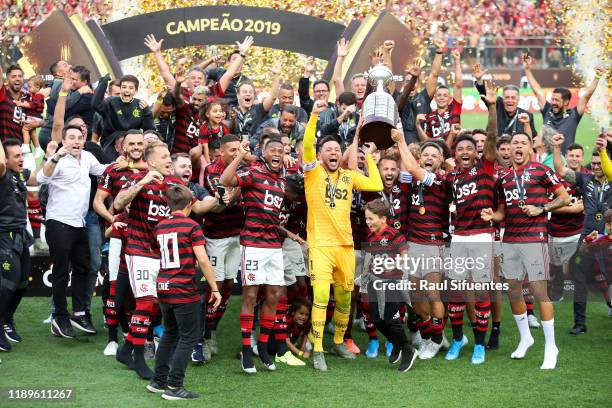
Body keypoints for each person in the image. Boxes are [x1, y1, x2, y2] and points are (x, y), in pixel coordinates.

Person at [113, 142, 220, 379]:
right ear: (151, 162)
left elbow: (197, 207)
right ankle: (138, 359)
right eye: (164, 158)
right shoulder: (138, 180)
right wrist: (142, 182)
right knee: (144, 304)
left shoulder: (175, 184)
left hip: (160, 254)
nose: (168, 162)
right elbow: (118, 204)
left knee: (153, 306)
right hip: (138, 250)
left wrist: (219, 197)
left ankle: (127, 349)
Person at [303, 101, 383, 371]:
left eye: (337, 149)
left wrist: (368, 155)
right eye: (328, 150)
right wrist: (314, 116)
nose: (334, 152)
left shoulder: (349, 177)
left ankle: (338, 341)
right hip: (320, 246)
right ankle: (317, 348)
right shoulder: (312, 173)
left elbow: (376, 184)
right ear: (320, 155)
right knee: (321, 296)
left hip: (345, 246)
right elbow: (306, 148)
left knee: (346, 297)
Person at [481, 132, 570, 370]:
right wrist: (493, 216)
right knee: (513, 291)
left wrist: (542, 207)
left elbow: (564, 197)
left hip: (535, 238)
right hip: (510, 239)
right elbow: (502, 211)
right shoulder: (504, 177)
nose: (518, 146)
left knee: (540, 292)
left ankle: (551, 346)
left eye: (523, 143)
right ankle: (525, 338)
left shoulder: (541, 170)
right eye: (514, 143)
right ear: (508, 149)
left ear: (530, 148)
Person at [220, 136, 296, 373]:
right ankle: (246, 351)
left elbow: (271, 216)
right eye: (272, 149)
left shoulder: (282, 182)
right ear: (263, 153)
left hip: (274, 246)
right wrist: (241, 156)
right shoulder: (253, 172)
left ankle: (263, 347)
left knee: (274, 295)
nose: (276, 153)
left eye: (280, 150)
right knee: (250, 297)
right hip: (252, 245)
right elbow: (225, 180)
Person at [441, 82, 498, 364]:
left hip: (481, 237)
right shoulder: (452, 178)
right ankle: (457, 340)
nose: (465, 151)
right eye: (459, 148)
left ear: (476, 152)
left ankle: (479, 344)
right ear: (455, 154)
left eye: (469, 148)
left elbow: (491, 138)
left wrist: (492, 107)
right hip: (458, 239)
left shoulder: (486, 167)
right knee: (455, 294)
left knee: (479, 292)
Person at [147, 184, 221, 401]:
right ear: (191, 203)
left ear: (168, 204)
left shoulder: (159, 226)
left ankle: (158, 382)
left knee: (170, 333)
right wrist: (214, 288)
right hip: (183, 288)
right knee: (188, 337)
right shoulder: (191, 226)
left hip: (164, 287)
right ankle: (174, 386)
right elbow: (203, 260)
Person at [36, 124, 110, 339]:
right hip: (58, 223)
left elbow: (103, 170)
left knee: (83, 267)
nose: (76, 141)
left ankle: (78, 313)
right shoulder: (58, 160)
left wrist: (126, 164)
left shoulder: (87, 157)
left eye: (80, 137)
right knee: (61, 271)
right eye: (72, 137)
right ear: (64, 140)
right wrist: (57, 155)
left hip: (80, 224)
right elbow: (42, 178)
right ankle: (59, 317)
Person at [552, 134, 612, 334]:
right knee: (578, 273)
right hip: (587, 235)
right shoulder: (584, 178)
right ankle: (580, 323)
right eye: (593, 163)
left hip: (609, 233)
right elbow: (560, 169)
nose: (595, 166)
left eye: (599, 163)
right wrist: (557, 147)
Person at [197, 134, 245, 362]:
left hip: (237, 235)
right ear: (220, 153)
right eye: (232, 150)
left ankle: (212, 329)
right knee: (213, 287)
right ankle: (204, 334)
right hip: (216, 237)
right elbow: (222, 206)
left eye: (239, 149)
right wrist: (242, 186)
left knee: (228, 284)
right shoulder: (212, 171)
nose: (237, 154)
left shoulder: (245, 167)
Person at [0, 138, 45, 352]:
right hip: (4, 237)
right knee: (6, 285)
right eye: (16, 156)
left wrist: (52, 154)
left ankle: (7, 320)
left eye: (21, 154)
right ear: (5, 159)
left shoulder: (19, 174)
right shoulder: (1, 175)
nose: (21, 159)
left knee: (22, 282)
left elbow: (37, 176)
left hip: (20, 234)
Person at [362, 199, 417, 372]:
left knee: (391, 320)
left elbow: (405, 255)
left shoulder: (393, 234)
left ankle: (408, 350)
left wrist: (393, 265)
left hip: (392, 282)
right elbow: (370, 258)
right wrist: (363, 277)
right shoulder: (371, 236)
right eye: (366, 218)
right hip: (374, 281)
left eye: (371, 218)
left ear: (383, 219)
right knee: (376, 320)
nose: (368, 222)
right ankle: (397, 344)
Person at [524, 54, 604, 153]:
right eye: (552, 99)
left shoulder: (574, 115)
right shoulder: (547, 110)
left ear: (566, 102)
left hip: (566, 163)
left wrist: (597, 77)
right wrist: (527, 69)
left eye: (557, 100)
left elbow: (586, 96)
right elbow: (537, 90)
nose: (553, 103)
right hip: (546, 163)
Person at [92, 74, 154, 159]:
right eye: (124, 87)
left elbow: (149, 130)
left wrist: (147, 112)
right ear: (120, 89)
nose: (127, 90)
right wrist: (104, 82)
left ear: (136, 91)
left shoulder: (140, 105)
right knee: (114, 168)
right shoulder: (111, 102)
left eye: (131, 88)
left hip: (134, 144)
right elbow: (95, 104)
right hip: (112, 144)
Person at [396, 37, 445, 144]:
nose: (411, 85)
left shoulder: (424, 97)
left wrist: (439, 51)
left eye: (414, 81)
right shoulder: (398, 97)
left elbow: (434, 75)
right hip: (403, 146)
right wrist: (386, 53)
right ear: (403, 84)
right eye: (408, 82)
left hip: (423, 145)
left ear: (418, 83)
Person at [473, 64, 536, 137]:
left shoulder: (527, 116)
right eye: (507, 97)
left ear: (518, 100)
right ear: (503, 99)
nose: (510, 100)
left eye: (513, 98)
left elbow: (532, 138)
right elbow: (486, 96)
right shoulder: (497, 106)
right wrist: (479, 80)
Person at [422, 49, 463, 142]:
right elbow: (427, 139)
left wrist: (457, 61)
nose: (441, 98)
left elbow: (458, 85)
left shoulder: (454, 109)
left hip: (452, 153)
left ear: (450, 99)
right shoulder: (429, 117)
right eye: (439, 95)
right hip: (436, 153)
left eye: (445, 95)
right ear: (435, 98)